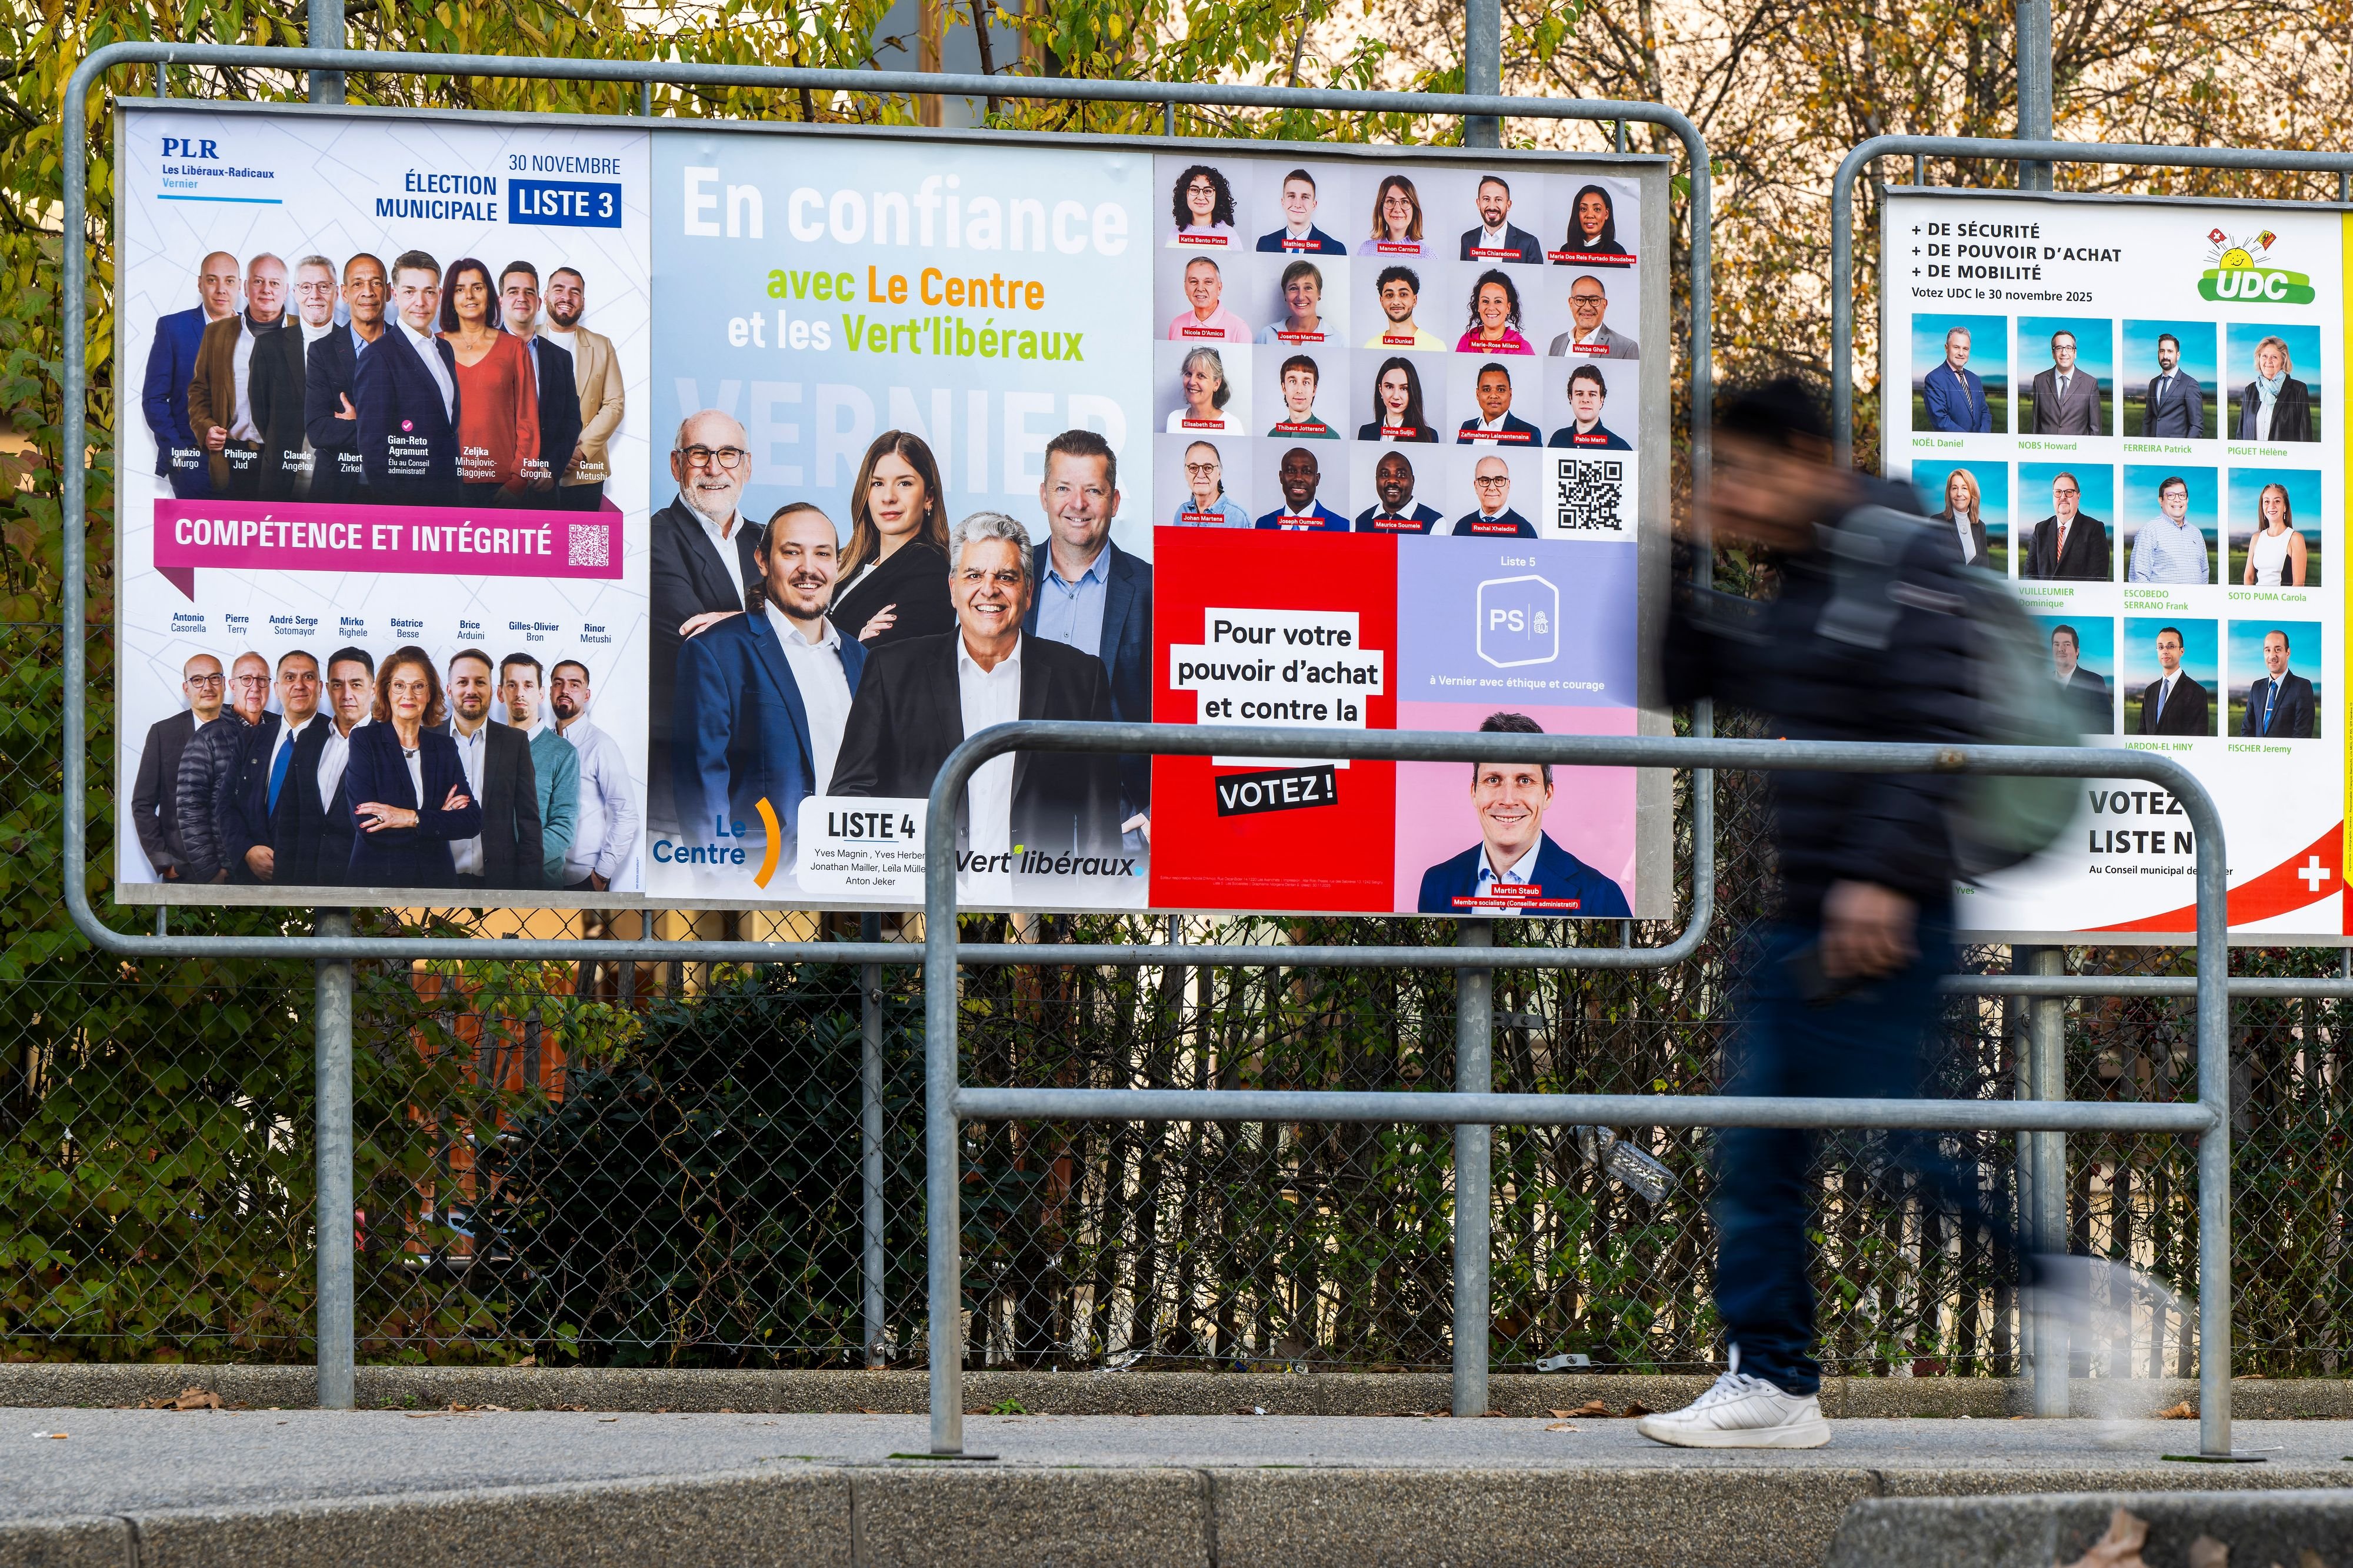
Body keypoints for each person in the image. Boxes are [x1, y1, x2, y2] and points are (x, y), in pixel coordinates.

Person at [1639, 377, 2016, 1452]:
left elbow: (1944, 721)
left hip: (1886, 912)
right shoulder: (1803, 579)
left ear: (1807, 456)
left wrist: (1884, 877)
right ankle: (1774, 1379)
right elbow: (1680, 675)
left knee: (1905, 1144)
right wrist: (1682, 546)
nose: (1733, 494)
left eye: (1746, 472)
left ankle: (2065, 1287)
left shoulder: (1903, 551)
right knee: (1763, 1147)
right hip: (1804, 916)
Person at [831, 511, 1124, 866]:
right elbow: (850, 795)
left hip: (1037, 907)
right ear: (953, 589)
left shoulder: (1081, 678)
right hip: (923, 907)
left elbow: (1100, 824)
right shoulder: (891, 670)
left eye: (1006, 577)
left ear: (1028, 592)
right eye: (974, 575)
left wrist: (1095, 908)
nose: (989, 589)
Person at [674, 503, 868, 861]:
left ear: (837, 565)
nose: (808, 569)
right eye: (792, 552)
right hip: (763, 884)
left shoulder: (861, 660)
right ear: (762, 561)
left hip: (850, 875)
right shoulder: (714, 652)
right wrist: (727, 888)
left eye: (822, 554)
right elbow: (700, 787)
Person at [1024, 429, 1153, 826]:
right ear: (1044, 495)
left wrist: (1157, 809)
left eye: (1093, 491)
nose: (1077, 504)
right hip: (1020, 807)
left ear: (1114, 502)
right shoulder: (1009, 581)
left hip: (1122, 815)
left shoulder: (1152, 590)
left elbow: (1182, 710)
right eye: (1063, 488)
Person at [649, 410, 764, 832]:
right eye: (700, 454)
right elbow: (701, 641)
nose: (715, 468)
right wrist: (784, 623)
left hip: (759, 788)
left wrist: (745, 623)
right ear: (677, 464)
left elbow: (820, 627)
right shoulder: (653, 539)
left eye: (729, 454)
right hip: (683, 795)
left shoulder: (770, 541)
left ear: (747, 466)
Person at [1417, 713, 1632, 915]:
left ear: (1547, 794)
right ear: (1474, 792)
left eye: (1524, 781)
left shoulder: (1599, 895)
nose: (1508, 800)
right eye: (1493, 780)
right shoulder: (1437, 884)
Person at [343, 645, 480, 889]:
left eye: (418, 686)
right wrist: (438, 821)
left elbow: (471, 820)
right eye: (399, 685)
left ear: (430, 694)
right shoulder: (365, 741)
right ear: (386, 692)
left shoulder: (444, 748)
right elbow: (367, 824)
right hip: (376, 887)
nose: (409, 695)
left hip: (437, 885)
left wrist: (407, 818)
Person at [831, 429, 958, 648]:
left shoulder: (933, 574)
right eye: (877, 484)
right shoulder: (847, 562)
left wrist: (853, 648)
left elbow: (889, 667)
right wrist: (856, 642)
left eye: (904, 484)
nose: (888, 497)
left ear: (929, 497)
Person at [355, 250, 462, 505]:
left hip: (450, 495)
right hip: (408, 503)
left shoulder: (445, 349)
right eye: (410, 291)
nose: (420, 302)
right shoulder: (378, 356)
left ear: (439, 294)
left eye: (429, 291)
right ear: (394, 295)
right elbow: (374, 450)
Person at [185, 252, 288, 497]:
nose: (266, 290)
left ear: (287, 290)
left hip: (288, 463)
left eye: (274, 283)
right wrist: (206, 427)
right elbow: (199, 390)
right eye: (258, 281)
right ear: (245, 287)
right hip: (232, 459)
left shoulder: (305, 334)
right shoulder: (217, 333)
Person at [438, 256, 539, 504]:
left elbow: (528, 420)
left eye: (477, 287)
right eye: (460, 289)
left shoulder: (514, 347)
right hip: (443, 478)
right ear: (450, 297)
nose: (469, 296)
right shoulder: (433, 346)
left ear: (491, 296)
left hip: (501, 483)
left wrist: (518, 482)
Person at [444, 648, 545, 889]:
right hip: (437, 879)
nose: (471, 690)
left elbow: (529, 824)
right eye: (462, 682)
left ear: (492, 690)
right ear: (449, 690)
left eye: (480, 682)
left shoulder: (515, 743)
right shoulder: (426, 739)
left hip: (497, 884)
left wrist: (531, 894)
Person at [219, 649, 322, 884]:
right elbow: (226, 804)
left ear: (320, 687)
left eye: (308, 677)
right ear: (276, 689)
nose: (299, 685)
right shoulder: (251, 738)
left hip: (310, 881)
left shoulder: (336, 738)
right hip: (249, 879)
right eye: (289, 678)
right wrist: (247, 850)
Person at [142, 250, 239, 497]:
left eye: (229, 281)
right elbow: (154, 399)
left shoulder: (260, 333)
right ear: (200, 284)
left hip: (251, 465)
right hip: (195, 465)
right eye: (212, 280)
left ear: (240, 286)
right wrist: (180, 456)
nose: (221, 289)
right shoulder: (174, 328)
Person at [173, 650, 271, 884]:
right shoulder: (208, 736)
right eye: (246, 679)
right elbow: (190, 807)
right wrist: (211, 872)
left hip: (273, 869)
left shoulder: (280, 731)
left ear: (271, 686)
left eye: (262, 680)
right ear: (232, 686)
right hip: (230, 872)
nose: (255, 687)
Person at [302, 253, 388, 505]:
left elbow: (420, 431)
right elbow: (318, 430)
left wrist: (355, 423)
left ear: (389, 291)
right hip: (335, 490)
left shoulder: (409, 349)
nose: (368, 292)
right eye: (358, 283)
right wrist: (381, 427)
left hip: (394, 489)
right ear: (345, 293)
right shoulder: (322, 352)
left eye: (376, 283)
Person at [130, 653, 225, 881]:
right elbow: (143, 803)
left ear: (224, 683)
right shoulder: (163, 733)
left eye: (214, 678)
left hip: (241, 871)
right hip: (183, 870)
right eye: (198, 680)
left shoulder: (247, 727)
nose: (207, 687)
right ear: (186, 688)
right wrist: (164, 862)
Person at [549, 659, 641, 892]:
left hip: (582, 880)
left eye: (574, 685)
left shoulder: (601, 746)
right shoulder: (540, 746)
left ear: (587, 695)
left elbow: (627, 814)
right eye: (558, 683)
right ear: (550, 691)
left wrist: (602, 874)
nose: (565, 690)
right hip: (540, 875)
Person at [501, 262, 584, 500]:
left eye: (529, 292)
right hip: (493, 486)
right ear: (501, 300)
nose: (521, 298)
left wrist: (552, 469)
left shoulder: (560, 358)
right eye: (513, 291)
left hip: (542, 488)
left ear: (539, 302)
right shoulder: (479, 351)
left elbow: (571, 421)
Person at [259, 255, 341, 500]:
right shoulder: (268, 346)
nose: (314, 295)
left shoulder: (356, 346)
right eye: (306, 287)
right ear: (295, 293)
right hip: (281, 477)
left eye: (323, 287)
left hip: (336, 478)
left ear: (336, 292)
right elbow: (260, 412)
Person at [544, 266, 625, 511]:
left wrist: (579, 451)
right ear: (545, 296)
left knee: (583, 548)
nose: (566, 297)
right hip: (533, 471)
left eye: (575, 292)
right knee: (539, 545)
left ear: (583, 302)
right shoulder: (523, 341)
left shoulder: (602, 345)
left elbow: (614, 405)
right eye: (559, 289)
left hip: (584, 471)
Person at [295, 646, 374, 887]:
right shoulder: (308, 739)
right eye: (338, 685)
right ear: (327, 690)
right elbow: (290, 816)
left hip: (361, 884)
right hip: (305, 880)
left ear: (373, 689)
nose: (346, 694)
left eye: (356, 684)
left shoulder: (390, 743)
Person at [499, 653, 579, 887]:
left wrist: (513, 858)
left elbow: (564, 828)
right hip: (489, 885)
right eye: (511, 685)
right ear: (500, 692)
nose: (519, 693)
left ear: (541, 694)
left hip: (540, 888)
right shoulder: (488, 747)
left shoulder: (563, 753)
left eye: (528, 685)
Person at [2022, 471, 2110, 580]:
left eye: (2069, 492)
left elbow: (2097, 577)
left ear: (2078, 497)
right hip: (2044, 597)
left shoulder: (2094, 529)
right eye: (2058, 492)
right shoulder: (2041, 529)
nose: (2063, 497)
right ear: (2053, 497)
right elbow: (2030, 573)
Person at [2129, 474, 2209, 584]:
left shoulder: (2196, 533)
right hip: (2168, 601)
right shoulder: (2149, 530)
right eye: (2171, 495)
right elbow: (2139, 577)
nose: (2177, 500)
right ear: (2161, 501)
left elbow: (2204, 572)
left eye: (2182, 495)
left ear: (2187, 500)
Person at [2235, 334, 2314, 442]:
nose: (2268, 361)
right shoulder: (2250, 390)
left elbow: (2305, 437)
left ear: (2283, 361)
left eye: (2274, 357)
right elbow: (2241, 433)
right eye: (2264, 356)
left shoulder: (2299, 390)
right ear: (2259, 359)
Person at [2025, 328, 2101, 435]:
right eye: (2059, 348)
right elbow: (2036, 424)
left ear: (2075, 353)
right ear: (2053, 353)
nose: (2064, 353)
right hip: (2046, 449)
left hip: (2077, 450)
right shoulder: (2039, 381)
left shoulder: (2090, 383)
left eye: (2069, 348)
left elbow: (2095, 429)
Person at [2138, 625, 2209, 736]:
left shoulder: (2197, 692)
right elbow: (2142, 733)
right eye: (2161, 647)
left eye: (2170, 646)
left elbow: (2198, 739)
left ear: (2182, 651)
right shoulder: (2150, 691)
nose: (2165, 651)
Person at [2241, 628, 2314, 739]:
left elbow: (2302, 736)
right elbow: (2247, 730)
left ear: (2288, 653)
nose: (2272, 656)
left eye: (2278, 650)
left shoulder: (2302, 687)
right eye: (2268, 650)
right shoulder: (2256, 687)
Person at [1255, 446, 1348, 531]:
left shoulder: (1342, 527)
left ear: (1317, 479)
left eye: (1306, 472)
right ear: (1281, 477)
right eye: (1291, 471)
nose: (1298, 478)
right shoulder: (1263, 524)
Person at [1255, 168, 1345, 254]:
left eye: (1305, 197)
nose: (1298, 205)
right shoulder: (1265, 245)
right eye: (1292, 196)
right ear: (1283, 202)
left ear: (1314, 205)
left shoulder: (1334, 249)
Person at [1547, 275, 1639, 359]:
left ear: (1604, 305)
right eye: (1580, 300)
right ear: (1571, 304)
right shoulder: (1557, 343)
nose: (1587, 307)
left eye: (1594, 300)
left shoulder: (1626, 347)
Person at [1921, 325, 1992, 433]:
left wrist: (1981, 439)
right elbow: (1941, 421)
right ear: (1946, 348)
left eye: (1965, 349)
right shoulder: (1934, 379)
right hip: (1954, 447)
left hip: (1980, 447)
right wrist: (1969, 442)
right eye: (1956, 347)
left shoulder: (1975, 379)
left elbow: (1985, 412)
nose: (1961, 353)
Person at [1547, 362, 1631, 450]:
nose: (1585, 400)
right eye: (1579, 394)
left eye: (1592, 394)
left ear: (1601, 400)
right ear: (1571, 398)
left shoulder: (1620, 448)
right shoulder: (1557, 440)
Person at [1355, 449, 1443, 533]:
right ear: (1376, 480)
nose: (1392, 480)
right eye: (1384, 474)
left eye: (1401, 474)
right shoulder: (1360, 522)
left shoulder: (1435, 524)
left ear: (1412, 480)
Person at [1458, 176, 1542, 263]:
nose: (1492, 207)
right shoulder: (1467, 239)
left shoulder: (1528, 243)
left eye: (1498, 200)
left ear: (1508, 205)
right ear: (1478, 203)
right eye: (1486, 199)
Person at [1166, 256, 1250, 342]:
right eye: (1194, 281)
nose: (1200, 288)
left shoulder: (1239, 329)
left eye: (1208, 282)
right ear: (1186, 288)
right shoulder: (1176, 325)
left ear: (1219, 288)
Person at [1364, 265, 1445, 352]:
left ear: (1414, 300)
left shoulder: (1436, 347)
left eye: (1403, 294)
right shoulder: (1371, 346)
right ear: (1382, 301)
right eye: (1389, 295)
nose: (1396, 302)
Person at [1173, 441, 1252, 527]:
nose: (1200, 475)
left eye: (1208, 468)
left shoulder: (1238, 518)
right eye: (1193, 468)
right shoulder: (1181, 513)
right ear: (1186, 473)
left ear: (1219, 474)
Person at [1453, 454, 1535, 537]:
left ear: (1508, 485)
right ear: (1476, 486)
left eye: (1499, 480)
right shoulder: (1462, 527)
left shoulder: (1525, 531)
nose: (1492, 488)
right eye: (1485, 480)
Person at [1458, 362, 1540, 445]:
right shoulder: (1467, 427)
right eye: (1487, 390)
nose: (1494, 396)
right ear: (1478, 394)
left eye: (1501, 390)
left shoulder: (1530, 433)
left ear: (1510, 394)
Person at [1358, 356, 1437, 442]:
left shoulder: (1429, 436)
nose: (1396, 396)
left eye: (1404, 389)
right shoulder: (1365, 432)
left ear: (1413, 392)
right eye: (1389, 387)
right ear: (1381, 389)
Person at [2048, 625, 2109, 733]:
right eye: (2056, 645)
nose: (2061, 649)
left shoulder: (2095, 682)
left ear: (2077, 651)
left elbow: (2105, 726)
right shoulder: (2044, 682)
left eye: (2067, 644)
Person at [2244, 482, 2307, 587]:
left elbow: (2299, 584)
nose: (2271, 506)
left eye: (2277, 501)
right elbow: (2249, 577)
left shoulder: (2295, 539)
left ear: (2285, 507)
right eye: (2267, 502)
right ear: (2262, 506)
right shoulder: (2256, 538)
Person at [2142, 332, 2204, 439]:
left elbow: (2196, 426)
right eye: (2162, 351)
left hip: (2176, 451)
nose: (2165, 356)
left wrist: (2185, 451)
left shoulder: (2190, 384)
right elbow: (2147, 420)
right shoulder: (2153, 383)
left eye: (2170, 351)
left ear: (2178, 355)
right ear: (2158, 353)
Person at [1457, 269, 1534, 355]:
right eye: (1485, 301)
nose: (1491, 308)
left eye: (1498, 301)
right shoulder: (1466, 341)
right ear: (1479, 306)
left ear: (1508, 308)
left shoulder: (1523, 348)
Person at [1554, 183, 1633, 265]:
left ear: (1606, 214)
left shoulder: (1617, 253)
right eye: (1584, 209)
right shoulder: (1566, 250)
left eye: (1597, 209)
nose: (1590, 215)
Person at [1255, 259, 1331, 345]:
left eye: (1308, 288)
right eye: (1294, 288)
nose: (1301, 297)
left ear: (1319, 293)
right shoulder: (1266, 336)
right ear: (1285, 295)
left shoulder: (1337, 340)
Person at [1929, 468, 1990, 568]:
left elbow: (1985, 567)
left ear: (1972, 493)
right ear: (1949, 493)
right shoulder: (1936, 522)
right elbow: (1930, 564)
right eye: (1954, 488)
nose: (1959, 494)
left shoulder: (1980, 526)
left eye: (1964, 488)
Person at [1165, 346, 1237, 432]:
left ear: (1216, 384)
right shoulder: (1174, 419)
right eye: (1189, 374)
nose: (1192, 382)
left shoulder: (1232, 425)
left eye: (1201, 376)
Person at [1268, 353, 1339, 438]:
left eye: (1306, 382)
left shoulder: (1330, 437)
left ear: (1314, 390)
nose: (1299, 390)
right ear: (1284, 388)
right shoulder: (1274, 435)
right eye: (1293, 381)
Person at [1167, 164, 1237, 247]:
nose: (1200, 197)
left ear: (1217, 196)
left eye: (1208, 191)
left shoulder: (1229, 236)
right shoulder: (1174, 235)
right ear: (1185, 194)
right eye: (1194, 190)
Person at [1358, 174, 1428, 256]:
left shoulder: (1427, 255)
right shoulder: (1365, 250)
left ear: (1414, 208)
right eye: (1390, 201)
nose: (1397, 209)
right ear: (1381, 207)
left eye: (1405, 201)